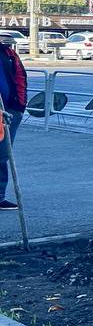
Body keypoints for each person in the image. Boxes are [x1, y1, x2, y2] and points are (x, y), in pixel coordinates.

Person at [0, 35, 27, 210]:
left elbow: (19, 78)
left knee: (2, 154)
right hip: (7, 108)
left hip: (9, 109)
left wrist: (18, 107)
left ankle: (0, 195)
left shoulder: (8, 53)